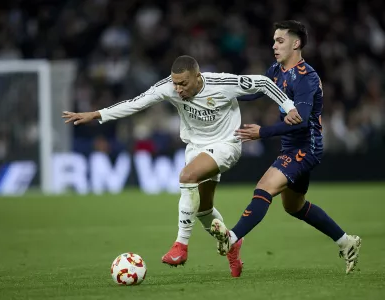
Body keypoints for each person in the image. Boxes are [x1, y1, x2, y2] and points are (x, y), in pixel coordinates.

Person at [63, 55, 302, 277]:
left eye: (183, 83)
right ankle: (232, 243)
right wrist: (96, 114)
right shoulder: (168, 87)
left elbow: (262, 82)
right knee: (203, 210)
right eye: (176, 83)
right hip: (196, 148)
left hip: (226, 144)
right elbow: (136, 103)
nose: (178, 89)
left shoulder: (222, 83)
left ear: (198, 77)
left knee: (187, 176)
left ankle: (180, 245)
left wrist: (289, 107)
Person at [209, 21, 362, 275]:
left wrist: (263, 132)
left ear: (296, 43)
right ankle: (346, 242)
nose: (274, 45)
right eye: (273, 41)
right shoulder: (276, 71)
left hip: (306, 147)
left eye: (279, 41)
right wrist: (223, 95)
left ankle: (233, 238)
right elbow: (256, 91)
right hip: (291, 147)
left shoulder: (306, 78)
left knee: (264, 187)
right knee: (294, 206)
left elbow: (299, 119)